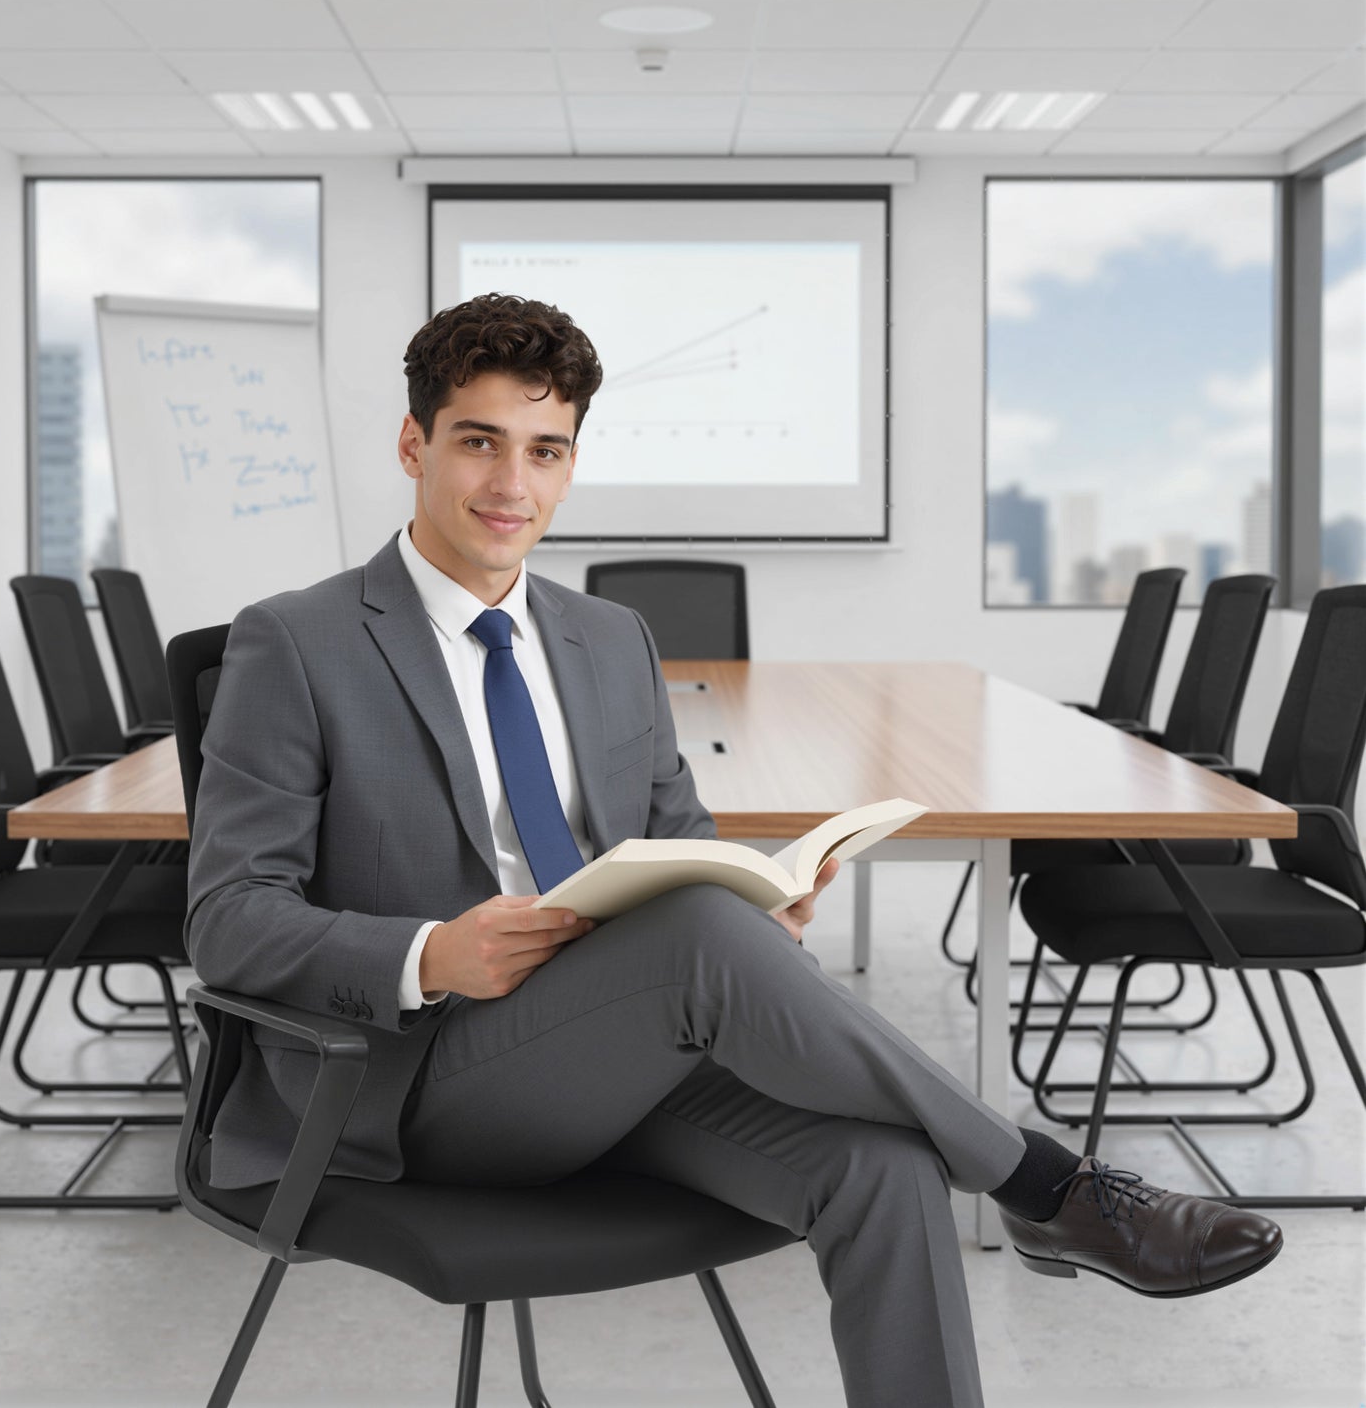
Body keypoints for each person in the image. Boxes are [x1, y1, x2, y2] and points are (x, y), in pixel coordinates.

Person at [187, 293, 1283, 1408]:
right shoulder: (298, 640)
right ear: (415, 442)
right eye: (478, 441)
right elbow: (227, 917)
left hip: (613, 1056)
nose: (511, 484)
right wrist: (432, 952)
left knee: (886, 1167)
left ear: (571, 463)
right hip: (419, 1085)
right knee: (701, 939)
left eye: (544, 450)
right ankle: (1045, 1182)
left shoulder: (607, 637)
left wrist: (757, 899)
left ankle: (1018, 1198)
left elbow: (673, 839)